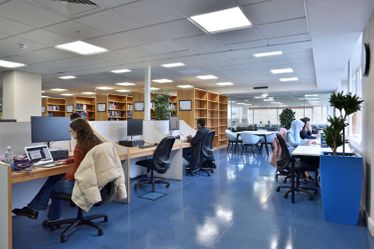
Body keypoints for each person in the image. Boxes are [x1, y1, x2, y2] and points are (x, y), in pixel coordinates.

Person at [12, 119, 102, 221]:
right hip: (95, 181)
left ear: (78, 131)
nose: (70, 133)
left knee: (54, 181)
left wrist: (66, 176)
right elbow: (86, 158)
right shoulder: (96, 143)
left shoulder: (79, 147)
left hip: (82, 184)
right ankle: (44, 213)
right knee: (56, 177)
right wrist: (71, 160)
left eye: (71, 131)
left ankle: (36, 210)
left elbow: (74, 174)